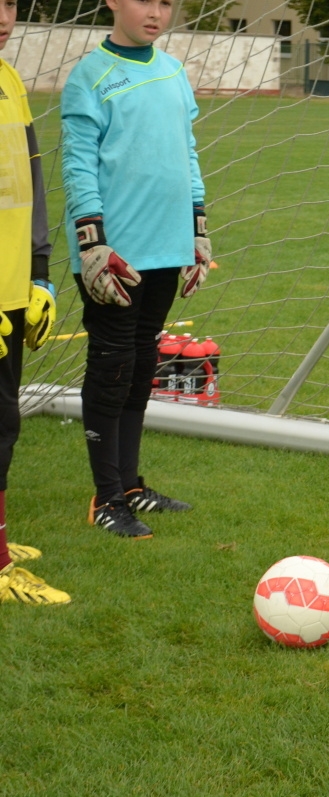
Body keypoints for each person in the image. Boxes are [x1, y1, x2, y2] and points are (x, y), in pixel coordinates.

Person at [61, 0, 211, 539]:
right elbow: (77, 164)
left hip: (166, 247)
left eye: (166, 2)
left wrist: (196, 230)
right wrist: (92, 243)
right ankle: (105, 498)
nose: (156, 12)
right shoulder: (89, 76)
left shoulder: (172, 72)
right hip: (115, 256)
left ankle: (129, 485)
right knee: (112, 367)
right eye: (144, 0)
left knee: (143, 360)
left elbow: (188, 157)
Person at [0, 0, 71, 604]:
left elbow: (30, 181)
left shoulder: (10, 80)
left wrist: (41, 275)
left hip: (11, 290)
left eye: (9, 2)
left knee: (4, 421)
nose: (2, 15)